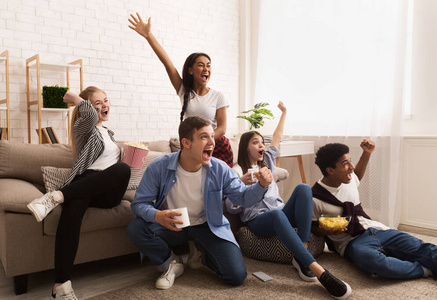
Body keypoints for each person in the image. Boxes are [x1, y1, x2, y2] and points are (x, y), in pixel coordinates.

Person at [127, 116, 273, 290]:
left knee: (235, 276)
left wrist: (262, 185)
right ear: (186, 143)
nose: (212, 142)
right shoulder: (159, 167)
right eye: (204, 137)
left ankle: (202, 254)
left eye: (212, 136)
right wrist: (158, 215)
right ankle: (170, 263)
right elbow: (139, 204)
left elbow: (241, 198)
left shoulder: (219, 168)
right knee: (136, 228)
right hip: (174, 225)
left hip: (208, 226)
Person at [225, 102, 351, 300]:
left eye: (262, 142)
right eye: (255, 142)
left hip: (281, 213)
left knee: (303, 188)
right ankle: (314, 268)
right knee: (275, 214)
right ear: (245, 147)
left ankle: (303, 250)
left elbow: (277, 137)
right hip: (258, 221)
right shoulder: (237, 170)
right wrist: (241, 183)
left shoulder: (267, 163)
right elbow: (231, 208)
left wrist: (284, 113)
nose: (261, 145)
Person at [27, 87, 131, 300]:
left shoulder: (110, 134)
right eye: (97, 103)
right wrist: (77, 99)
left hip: (108, 191)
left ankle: (56, 196)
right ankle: (61, 285)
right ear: (86, 109)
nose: (104, 105)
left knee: (124, 169)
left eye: (106, 100)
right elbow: (90, 115)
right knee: (72, 211)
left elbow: (116, 170)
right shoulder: (84, 128)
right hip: (84, 182)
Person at [312, 139, 437, 282]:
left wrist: (366, 153)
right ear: (330, 170)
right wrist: (328, 231)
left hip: (377, 229)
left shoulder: (348, 178)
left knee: (426, 249)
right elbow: (313, 227)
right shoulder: (315, 198)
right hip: (352, 242)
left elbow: (357, 176)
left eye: (350, 161)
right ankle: (424, 270)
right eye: (345, 164)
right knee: (377, 264)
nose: (351, 167)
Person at [128, 12, 233, 167]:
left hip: (217, 146)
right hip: (193, 148)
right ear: (190, 70)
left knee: (220, 189)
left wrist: (204, 141)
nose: (206, 68)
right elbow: (168, 64)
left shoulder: (218, 96)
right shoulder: (184, 90)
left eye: (208, 65)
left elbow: (222, 128)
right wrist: (149, 36)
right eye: (201, 64)